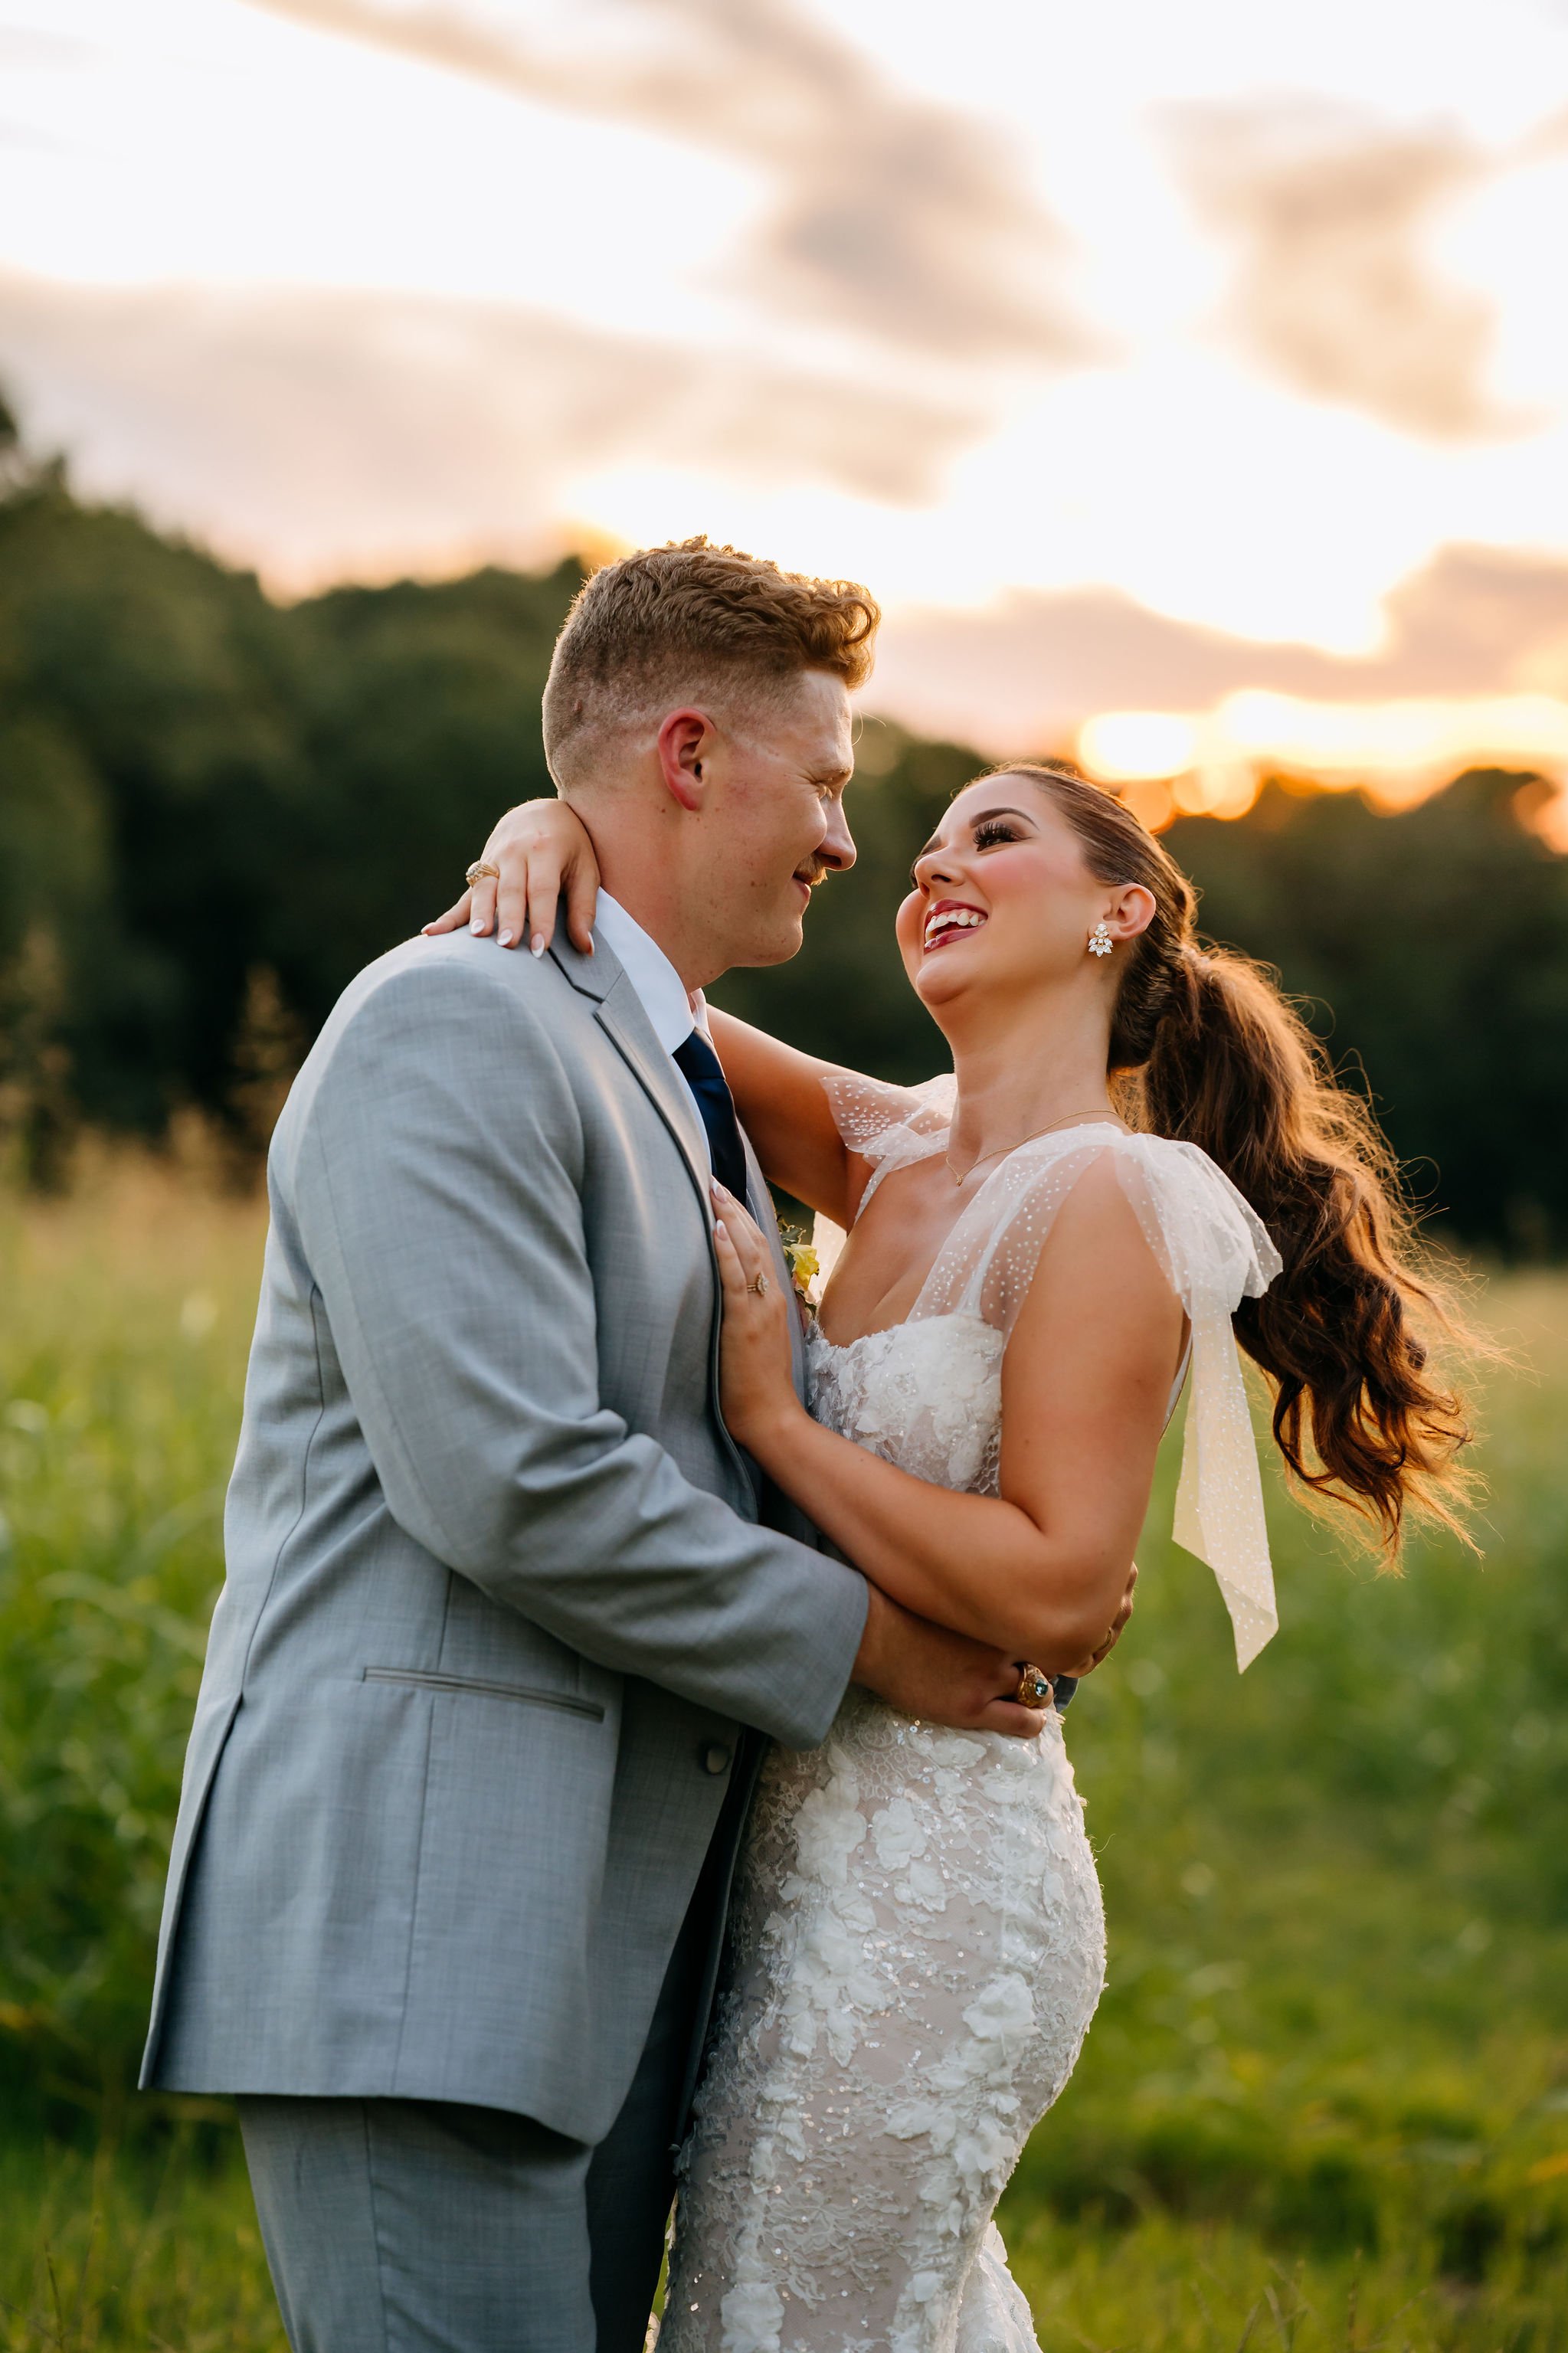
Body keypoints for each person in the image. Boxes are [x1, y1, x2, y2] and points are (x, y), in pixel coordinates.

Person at [142, 539, 1131, 2353]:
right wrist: (873, 1650)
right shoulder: (451, 1021)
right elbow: (513, 1482)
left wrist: (555, 826)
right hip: (430, 1938)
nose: (850, 842)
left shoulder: (669, 1064)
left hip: (613, 1959)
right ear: (690, 755)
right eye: (825, 784)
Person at [439, 759, 1473, 2348]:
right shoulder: (884, 1151)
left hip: (933, 1889)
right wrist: (548, 823)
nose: (931, 871)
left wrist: (778, 1421)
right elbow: (624, 992)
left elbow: (1064, 1593)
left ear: (1117, 913)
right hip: (775, 1870)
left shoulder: (1115, 1196)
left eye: (993, 839)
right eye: (920, 855)